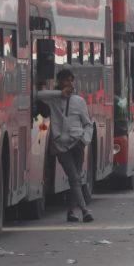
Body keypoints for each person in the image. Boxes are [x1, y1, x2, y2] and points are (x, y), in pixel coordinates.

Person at [36, 69, 95, 223]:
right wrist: (59, 93)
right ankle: (84, 210)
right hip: (61, 146)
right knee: (75, 177)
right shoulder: (53, 99)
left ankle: (71, 212)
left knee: (76, 178)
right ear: (59, 82)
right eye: (66, 80)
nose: (69, 83)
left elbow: (88, 124)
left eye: (71, 80)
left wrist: (84, 139)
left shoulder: (79, 101)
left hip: (78, 143)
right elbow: (38, 95)